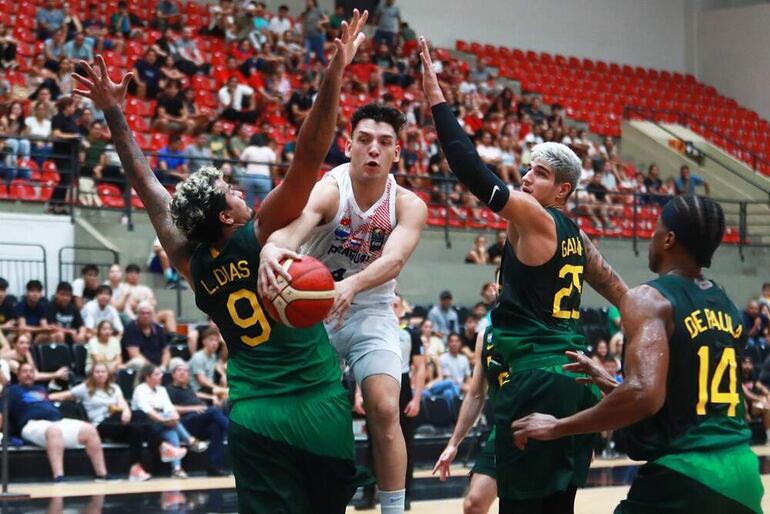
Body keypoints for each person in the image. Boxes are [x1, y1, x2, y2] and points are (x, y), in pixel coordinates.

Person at [72, 9, 371, 512]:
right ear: (227, 217)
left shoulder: (192, 260)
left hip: (255, 414)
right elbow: (308, 155)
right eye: (230, 192)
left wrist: (113, 114)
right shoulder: (262, 233)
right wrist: (334, 74)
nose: (238, 190)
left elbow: (146, 186)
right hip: (318, 404)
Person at [420, 37, 629, 513]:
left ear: (562, 190)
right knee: (557, 504)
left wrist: (436, 99)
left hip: (535, 376)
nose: (525, 179)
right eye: (528, 170)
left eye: (537, 174)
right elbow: (622, 293)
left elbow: (469, 168)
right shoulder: (578, 239)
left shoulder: (536, 217)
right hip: (573, 379)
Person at [513, 195, 764, 514]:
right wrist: (609, 381)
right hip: (743, 476)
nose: (651, 236)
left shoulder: (649, 299)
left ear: (669, 239)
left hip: (686, 478)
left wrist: (557, 426)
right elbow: (684, 404)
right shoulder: (726, 305)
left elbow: (644, 396)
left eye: (656, 229)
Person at [259, 101, 428, 513]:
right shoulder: (330, 189)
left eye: (384, 142)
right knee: (314, 417)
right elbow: (293, 233)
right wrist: (270, 248)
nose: (374, 149)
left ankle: (392, 508)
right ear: (348, 144)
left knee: (386, 406)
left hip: (370, 309)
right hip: (313, 311)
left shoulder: (409, 204)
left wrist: (351, 285)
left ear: (396, 152)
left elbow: (393, 261)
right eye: (365, 140)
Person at [50, 362, 186, 482]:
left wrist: (126, 411)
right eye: (97, 372)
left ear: (108, 374)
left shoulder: (115, 388)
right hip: (100, 425)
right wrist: (46, 396)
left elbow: (123, 404)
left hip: (118, 422)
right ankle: (162, 447)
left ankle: (135, 469)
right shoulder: (85, 388)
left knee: (136, 429)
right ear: (92, 374)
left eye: (103, 371)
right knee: (138, 415)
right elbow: (64, 395)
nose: (100, 374)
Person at [433, 326, 504, 514]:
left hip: (543, 425)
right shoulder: (486, 335)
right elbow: (475, 394)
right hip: (505, 429)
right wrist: (453, 444)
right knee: (473, 504)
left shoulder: (543, 325)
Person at [9, 362, 109, 481]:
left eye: (31, 371)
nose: (28, 374)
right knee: (53, 431)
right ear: (18, 375)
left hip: (56, 421)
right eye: (25, 371)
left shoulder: (41, 389)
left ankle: (102, 475)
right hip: (32, 424)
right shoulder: (11, 391)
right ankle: (59, 477)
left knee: (89, 430)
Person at [132, 363, 207, 478]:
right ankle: (190, 440)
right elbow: (149, 412)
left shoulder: (162, 390)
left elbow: (170, 408)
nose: (161, 376)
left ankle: (176, 469)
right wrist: (167, 420)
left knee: (172, 430)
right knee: (172, 425)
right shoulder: (140, 389)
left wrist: (174, 418)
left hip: (162, 422)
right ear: (147, 377)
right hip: (147, 425)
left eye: (160, 373)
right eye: (157, 374)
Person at [166, 358, 229, 476]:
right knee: (213, 411)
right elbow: (170, 409)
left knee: (216, 428)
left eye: (185, 371)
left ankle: (214, 467)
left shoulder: (188, 388)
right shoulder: (169, 389)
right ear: (173, 374)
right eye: (179, 371)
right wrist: (193, 408)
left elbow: (197, 395)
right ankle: (233, 429)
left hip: (199, 422)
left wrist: (211, 398)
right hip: (184, 424)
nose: (183, 373)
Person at [121, 302, 170, 370]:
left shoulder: (158, 328)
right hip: (139, 366)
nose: (146, 316)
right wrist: (153, 369)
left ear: (153, 315)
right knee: (138, 362)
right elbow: (134, 355)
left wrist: (163, 366)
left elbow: (166, 352)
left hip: (158, 367)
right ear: (138, 314)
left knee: (177, 362)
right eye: (143, 313)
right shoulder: (131, 328)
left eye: (148, 313)